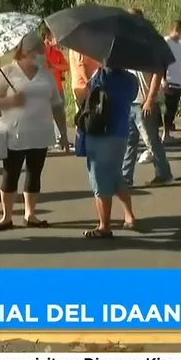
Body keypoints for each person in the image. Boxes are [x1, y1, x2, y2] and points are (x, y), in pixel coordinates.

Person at [0, 32, 65, 232]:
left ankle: (30, 214)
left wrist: (63, 133)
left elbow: (57, 104)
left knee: (34, 174)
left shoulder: (45, 73)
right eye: (38, 50)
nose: (41, 54)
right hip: (14, 134)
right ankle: (6, 217)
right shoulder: (7, 72)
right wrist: (10, 101)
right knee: (10, 175)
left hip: (41, 133)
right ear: (26, 52)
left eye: (42, 50)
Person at [78, 67, 139, 238]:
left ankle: (104, 226)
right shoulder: (130, 79)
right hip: (121, 133)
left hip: (100, 131)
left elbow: (88, 93)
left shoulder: (100, 76)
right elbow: (132, 96)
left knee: (100, 179)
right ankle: (129, 215)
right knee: (115, 174)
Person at [122, 8, 174, 187]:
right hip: (130, 100)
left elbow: (158, 73)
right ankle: (125, 177)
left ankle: (164, 174)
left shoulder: (149, 44)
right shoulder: (128, 44)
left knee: (151, 140)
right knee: (129, 141)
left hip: (143, 101)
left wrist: (150, 99)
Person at [161, 21, 181, 144]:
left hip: (177, 81)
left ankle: (167, 134)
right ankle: (164, 135)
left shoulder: (180, 46)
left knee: (173, 109)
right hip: (168, 80)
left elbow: (179, 64)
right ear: (177, 29)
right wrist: (162, 79)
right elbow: (161, 62)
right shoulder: (166, 42)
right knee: (168, 109)